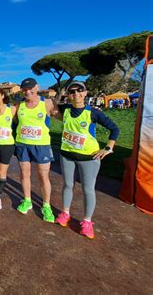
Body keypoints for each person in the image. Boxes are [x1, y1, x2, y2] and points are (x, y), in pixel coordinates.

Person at [54, 81, 119, 239]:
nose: (76, 94)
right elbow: (52, 105)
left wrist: (108, 148)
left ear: (85, 93)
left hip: (89, 158)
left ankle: (87, 222)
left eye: (79, 91)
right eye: (72, 91)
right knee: (68, 185)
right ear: (68, 95)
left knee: (88, 189)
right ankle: (65, 213)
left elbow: (115, 129)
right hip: (67, 155)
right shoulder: (65, 110)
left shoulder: (93, 112)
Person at [14, 78, 58, 222]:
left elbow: (64, 117)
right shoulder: (19, 105)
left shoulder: (46, 103)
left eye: (30, 88)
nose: (28, 91)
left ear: (37, 87)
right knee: (24, 173)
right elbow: (13, 120)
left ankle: (46, 206)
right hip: (23, 144)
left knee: (43, 176)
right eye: (25, 89)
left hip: (42, 145)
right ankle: (27, 200)